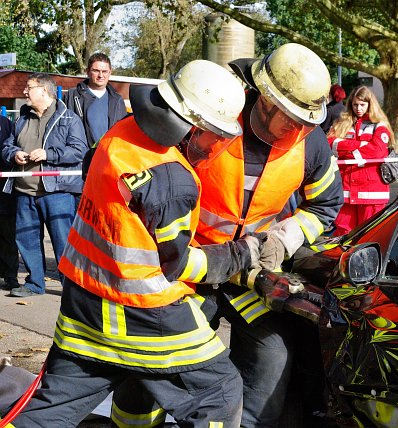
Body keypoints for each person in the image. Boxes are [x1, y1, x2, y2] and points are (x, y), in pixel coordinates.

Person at [5, 60, 261, 427]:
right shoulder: (172, 179)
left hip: (83, 306)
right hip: (144, 313)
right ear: (190, 126)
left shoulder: (121, 133)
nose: (214, 147)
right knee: (218, 392)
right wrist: (240, 255)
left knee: (52, 409)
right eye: (212, 135)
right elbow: (177, 264)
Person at [111, 43, 344, 428]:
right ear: (264, 100)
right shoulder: (215, 115)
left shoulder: (311, 144)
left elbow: (326, 205)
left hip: (249, 276)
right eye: (291, 118)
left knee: (271, 359)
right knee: (154, 364)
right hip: (188, 271)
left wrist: (283, 239)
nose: (299, 130)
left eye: (307, 122)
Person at [1, 73, 88, 298]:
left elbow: (79, 151)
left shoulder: (69, 118)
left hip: (57, 192)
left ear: (44, 90)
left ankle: (71, 286)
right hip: (24, 192)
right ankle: (34, 283)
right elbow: (7, 146)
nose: (25, 91)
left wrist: (49, 154)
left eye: (29, 87)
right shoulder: (22, 118)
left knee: (63, 241)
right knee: (27, 239)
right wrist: (14, 154)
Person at [328, 85, 394, 235]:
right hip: (346, 190)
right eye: (355, 104)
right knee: (343, 235)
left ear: (370, 104)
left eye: (362, 105)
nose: (358, 108)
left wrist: (346, 148)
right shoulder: (342, 123)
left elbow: (377, 151)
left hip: (371, 192)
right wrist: (361, 146)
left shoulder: (379, 125)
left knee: (369, 235)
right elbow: (330, 144)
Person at [63, 52, 128, 149]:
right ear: (88, 71)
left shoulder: (117, 100)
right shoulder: (72, 96)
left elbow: (123, 132)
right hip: (81, 155)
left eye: (104, 71)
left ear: (110, 72)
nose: (100, 75)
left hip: (107, 154)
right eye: (96, 71)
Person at [0, 115, 19, 291]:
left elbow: (9, 150)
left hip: (4, 190)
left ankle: (10, 275)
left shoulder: (5, 123)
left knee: (8, 234)